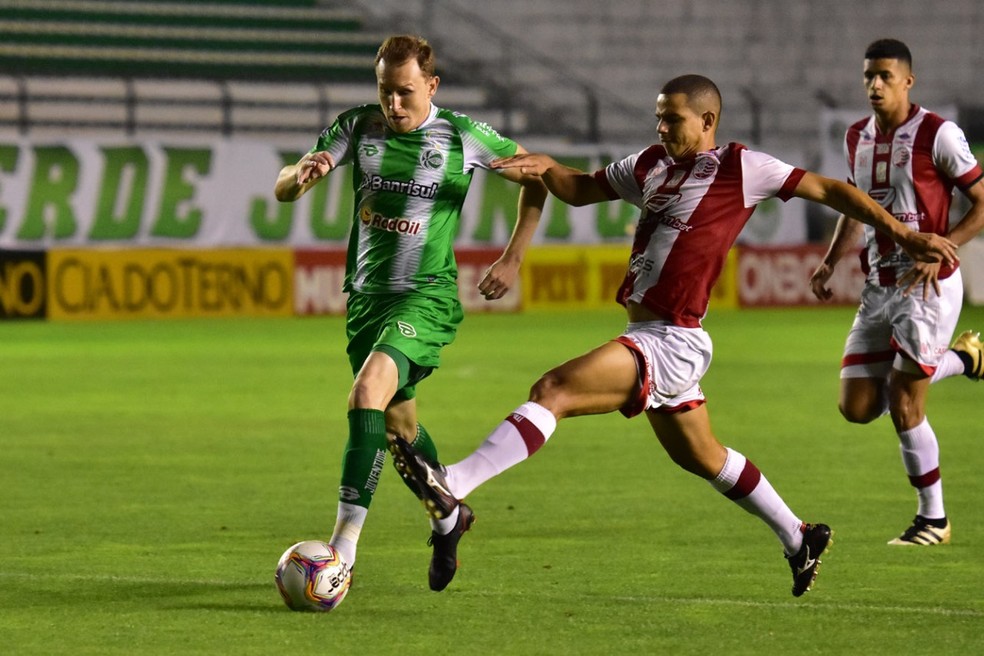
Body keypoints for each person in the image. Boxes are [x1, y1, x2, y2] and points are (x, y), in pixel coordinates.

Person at [390, 73, 958, 597]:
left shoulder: (742, 167)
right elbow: (582, 188)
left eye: (674, 119)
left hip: (671, 338)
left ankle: (455, 484)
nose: (661, 128)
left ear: (708, 121)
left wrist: (901, 236)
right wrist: (537, 167)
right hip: (653, 333)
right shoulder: (650, 164)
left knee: (553, 390)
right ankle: (799, 536)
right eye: (658, 117)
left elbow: (833, 192)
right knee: (705, 458)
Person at [274, 34, 547, 591]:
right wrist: (304, 172)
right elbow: (282, 189)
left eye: (403, 93)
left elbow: (537, 176)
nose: (393, 105)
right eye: (384, 92)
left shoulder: (461, 135)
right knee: (399, 431)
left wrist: (513, 258)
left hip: (425, 296)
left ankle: (342, 549)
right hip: (366, 300)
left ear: (431, 86)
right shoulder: (357, 126)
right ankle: (448, 515)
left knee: (365, 395)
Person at [809, 39, 984, 546]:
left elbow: (981, 201)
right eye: (868, 76)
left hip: (927, 285)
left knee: (906, 404)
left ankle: (934, 520)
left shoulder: (939, 134)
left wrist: (944, 247)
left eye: (885, 76)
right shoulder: (855, 137)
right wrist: (829, 260)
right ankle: (964, 359)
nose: (875, 85)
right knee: (857, 406)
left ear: (909, 81)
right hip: (878, 286)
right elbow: (854, 205)